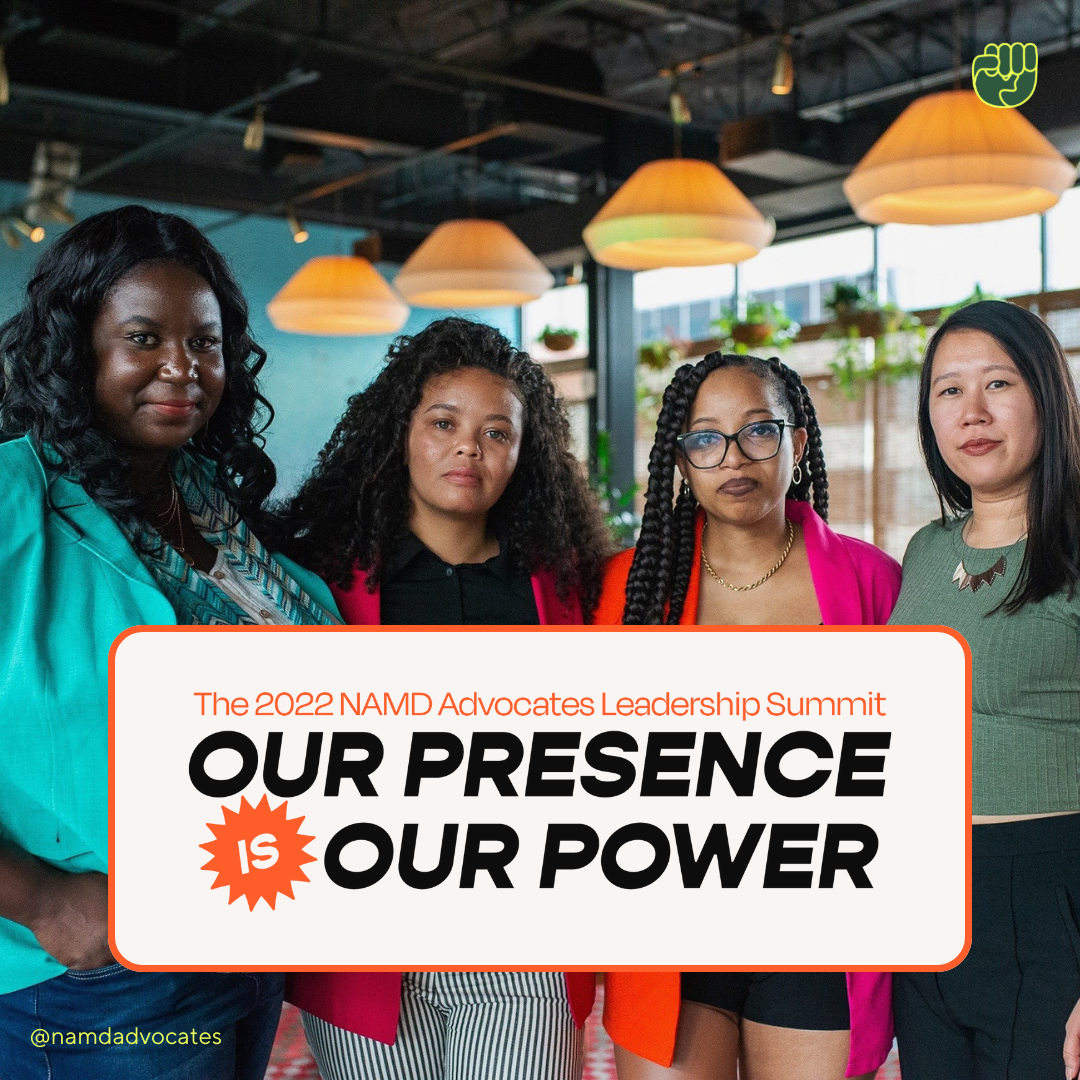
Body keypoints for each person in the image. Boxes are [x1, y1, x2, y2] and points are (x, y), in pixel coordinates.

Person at [0, 205, 339, 1080]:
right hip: (93, 972)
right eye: (144, 338)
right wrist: (41, 899)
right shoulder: (9, 504)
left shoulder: (211, 506)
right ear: (79, 348)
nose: (183, 368)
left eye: (207, 341)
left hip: (242, 947)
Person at [272, 316, 611, 1080]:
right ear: (401, 433)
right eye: (445, 423)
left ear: (523, 454)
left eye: (497, 432)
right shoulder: (319, 585)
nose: (469, 447)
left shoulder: (570, 589)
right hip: (362, 943)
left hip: (518, 940)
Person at [592, 351, 899, 1080]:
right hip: (670, 927)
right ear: (682, 460)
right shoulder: (628, 593)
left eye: (759, 431)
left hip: (819, 928)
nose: (733, 457)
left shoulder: (873, 581)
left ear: (797, 443)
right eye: (706, 439)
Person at [886, 300, 1080, 1080]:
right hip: (926, 896)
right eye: (948, 390)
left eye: (998, 383)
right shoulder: (926, 551)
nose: (973, 412)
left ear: (1046, 394)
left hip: (1048, 892)